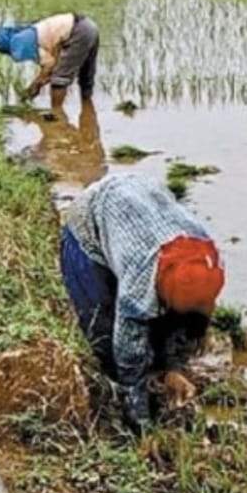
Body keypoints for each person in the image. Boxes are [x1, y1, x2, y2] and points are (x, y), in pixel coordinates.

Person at [59, 174, 225, 430]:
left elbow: (185, 323)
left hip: (140, 198)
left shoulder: (207, 258)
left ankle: (161, 378)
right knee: (104, 337)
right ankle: (116, 411)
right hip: (90, 224)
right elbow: (129, 346)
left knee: (160, 334)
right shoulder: (142, 273)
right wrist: (139, 413)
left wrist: (173, 367)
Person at [0, 12, 100, 107]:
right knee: (86, 75)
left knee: (59, 81)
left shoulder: (22, 42)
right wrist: (39, 82)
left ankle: (57, 113)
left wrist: (35, 85)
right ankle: (87, 109)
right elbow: (53, 62)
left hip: (78, 32)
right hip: (89, 26)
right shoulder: (33, 31)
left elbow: (49, 65)